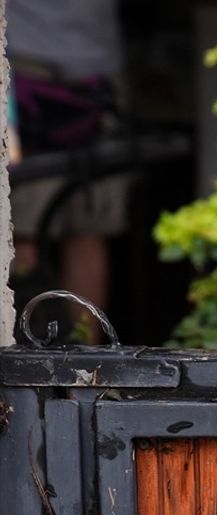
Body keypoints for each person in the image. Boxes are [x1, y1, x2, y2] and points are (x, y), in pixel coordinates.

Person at [7, 0, 127, 343]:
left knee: (76, 232)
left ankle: (77, 369)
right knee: (28, 236)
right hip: (30, 70)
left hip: (90, 74)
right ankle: (43, 364)